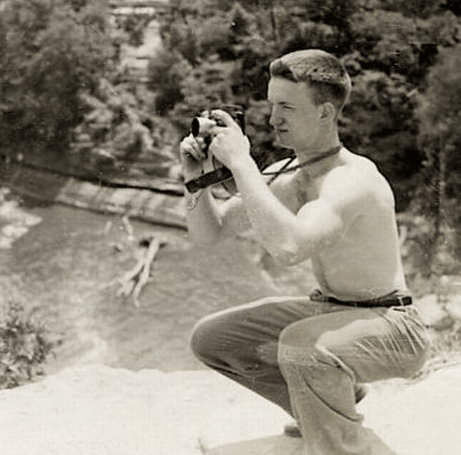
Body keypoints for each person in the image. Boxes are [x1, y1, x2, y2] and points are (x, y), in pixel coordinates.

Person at [179, 49, 429, 455]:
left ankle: (340, 447)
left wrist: (242, 166)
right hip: (332, 313)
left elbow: (290, 246)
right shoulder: (291, 174)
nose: (274, 118)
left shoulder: (351, 180)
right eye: (272, 105)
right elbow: (213, 231)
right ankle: (331, 407)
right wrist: (195, 183)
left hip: (393, 326)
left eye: (288, 108)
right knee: (213, 338)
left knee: (300, 345)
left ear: (326, 113)